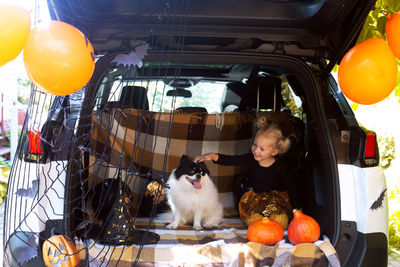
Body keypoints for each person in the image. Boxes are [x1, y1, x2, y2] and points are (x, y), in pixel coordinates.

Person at [193, 117, 298, 208]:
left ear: (275, 152)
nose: (256, 150)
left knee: (277, 219)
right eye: (254, 145)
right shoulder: (250, 158)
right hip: (255, 201)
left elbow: (291, 187)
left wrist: (297, 208)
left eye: (262, 149)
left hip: (275, 203)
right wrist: (213, 156)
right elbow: (232, 160)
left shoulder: (280, 167)